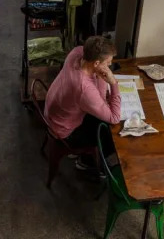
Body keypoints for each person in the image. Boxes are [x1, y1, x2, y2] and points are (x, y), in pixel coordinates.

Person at [43, 36, 121, 169]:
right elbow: (114, 117)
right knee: (110, 132)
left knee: (100, 114)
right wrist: (113, 83)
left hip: (54, 113)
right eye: (108, 63)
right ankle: (87, 162)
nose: (109, 67)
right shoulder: (83, 88)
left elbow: (99, 97)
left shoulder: (77, 52)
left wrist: (100, 76)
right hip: (65, 132)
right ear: (96, 63)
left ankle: (86, 157)